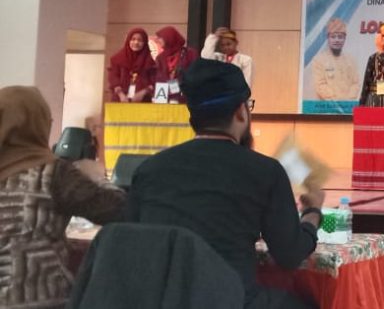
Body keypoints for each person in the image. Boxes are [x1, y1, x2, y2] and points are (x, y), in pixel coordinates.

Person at [126, 59, 324, 309]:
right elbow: (289, 255)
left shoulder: (149, 170)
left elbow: (132, 240)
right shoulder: (265, 171)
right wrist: (312, 213)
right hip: (230, 300)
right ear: (241, 112)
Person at [0, 86, 126, 308]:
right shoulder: (51, 173)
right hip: (38, 298)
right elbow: (118, 211)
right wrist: (98, 177)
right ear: (38, 125)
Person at [309, 18, 361, 100]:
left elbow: (355, 84)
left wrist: (347, 100)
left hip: (347, 105)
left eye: (340, 37)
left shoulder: (351, 60)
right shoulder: (318, 60)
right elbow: (320, 85)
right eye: (333, 37)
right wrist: (336, 101)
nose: (337, 40)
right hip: (327, 106)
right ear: (328, 38)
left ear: (344, 39)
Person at [107, 27, 156, 103]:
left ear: (145, 43)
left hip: (142, 101)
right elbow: (113, 77)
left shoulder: (150, 62)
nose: (136, 42)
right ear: (128, 41)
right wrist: (121, 95)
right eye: (133, 39)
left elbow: (153, 82)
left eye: (140, 40)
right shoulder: (117, 59)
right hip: (121, 100)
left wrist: (143, 92)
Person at [153, 26, 199, 103]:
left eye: (160, 38)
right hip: (165, 98)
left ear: (169, 38)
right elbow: (158, 78)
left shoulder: (189, 54)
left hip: (186, 97)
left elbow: (196, 74)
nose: (157, 40)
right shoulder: (160, 58)